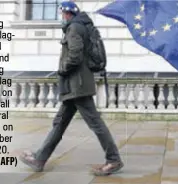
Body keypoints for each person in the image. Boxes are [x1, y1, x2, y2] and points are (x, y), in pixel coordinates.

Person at [19, 1, 124, 176]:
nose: (61, 16)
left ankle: (113, 159)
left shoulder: (74, 27)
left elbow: (75, 55)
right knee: (60, 123)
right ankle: (39, 158)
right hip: (75, 85)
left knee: (96, 124)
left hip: (77, 85)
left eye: (62, 13)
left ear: (68, 13)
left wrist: (62, 69)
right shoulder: (82, 25)